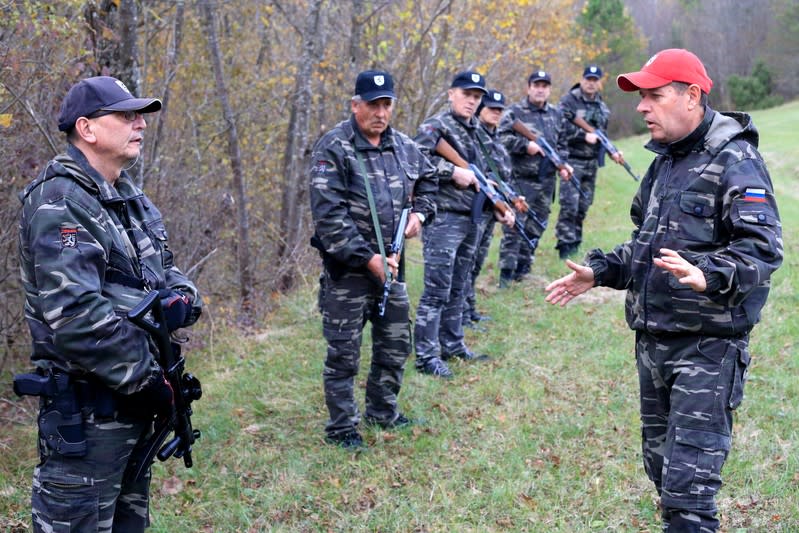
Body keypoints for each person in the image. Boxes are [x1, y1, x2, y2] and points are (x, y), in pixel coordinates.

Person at [544, 49, 783, 532]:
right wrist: (601, 271)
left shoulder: (736, 159)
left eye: (654, 95)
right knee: (662, 472)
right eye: (641, 97)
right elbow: (645, 246)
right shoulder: (666, 163)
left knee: (689, 496)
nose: (642, 107)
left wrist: (710, 273)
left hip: (706, 347)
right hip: (654, 346)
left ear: (692, 96)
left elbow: (763, 249)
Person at [17, 76, 203, 532]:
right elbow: (77, 316)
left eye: (140, 115)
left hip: (134, 408)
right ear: (87, 128)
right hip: (88, 415)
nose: (139, 124)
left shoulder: (128, 197)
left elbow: (167, 272)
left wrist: (181, 301)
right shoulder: (60, 201)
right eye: (126, 115)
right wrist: (149, 379)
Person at [309, 70, 437, 450]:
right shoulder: (333, 147)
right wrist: (368, 259)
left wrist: (420, 216)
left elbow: (429, 183)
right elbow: (328, 216)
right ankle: (342, 427)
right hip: (348, 274)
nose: (380, 112)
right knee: (344, 354)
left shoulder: (403, 146)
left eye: (387, 104)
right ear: (355, 105)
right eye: (372, 105)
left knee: (396, 343)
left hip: (392, 270)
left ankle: (383, 411)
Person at [413, 71, 514, 379]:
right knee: (436, 289)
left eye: (476, 96)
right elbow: (414, 160)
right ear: (451, 94)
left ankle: (453, 343)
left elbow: (482, 174)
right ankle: (426, 356)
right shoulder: (435, 126)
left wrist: (495, 203)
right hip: (443, 217)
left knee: (460, 285)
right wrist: (449, 172)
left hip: (472, 216)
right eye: (466, 94)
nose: (472, 100)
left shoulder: (478, 132)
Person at [497, 70, 570, 286]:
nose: (540, 89)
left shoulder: (557, 114)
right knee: (514, 226)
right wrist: (525, 145)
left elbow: (563, 145)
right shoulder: (514, 113)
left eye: (544, 86)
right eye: (536, 85)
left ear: (549, 89)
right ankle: (506, 274)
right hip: (520, 180)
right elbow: (500, 138)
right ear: (528, 87)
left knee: (538, 224)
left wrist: (563, 165)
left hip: (547, 182)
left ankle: (523, 267)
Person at [555, 64, 622, 259]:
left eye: (595, 80)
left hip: (591, 163)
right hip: (571, 161)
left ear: (599, 83)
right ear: (582, 80)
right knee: (569, 205)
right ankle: (565, 246)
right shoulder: (569, 101)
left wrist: (612, 151)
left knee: (584, 204)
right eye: (588, 79)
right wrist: (582, 135)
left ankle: (576, 240)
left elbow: (603, 135)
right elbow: (558, 129)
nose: (591, 84)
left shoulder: (602, 107)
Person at [462, 88, 512, 328]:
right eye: (492, 109)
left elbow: (502, 173)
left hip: (491, 207)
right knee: (467, 262)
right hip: (475, 206)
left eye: (500, 110)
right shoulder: (474, 135)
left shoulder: (497, 135)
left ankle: (469, 309)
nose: (496, 113)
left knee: (477, 262)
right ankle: (461, 313)